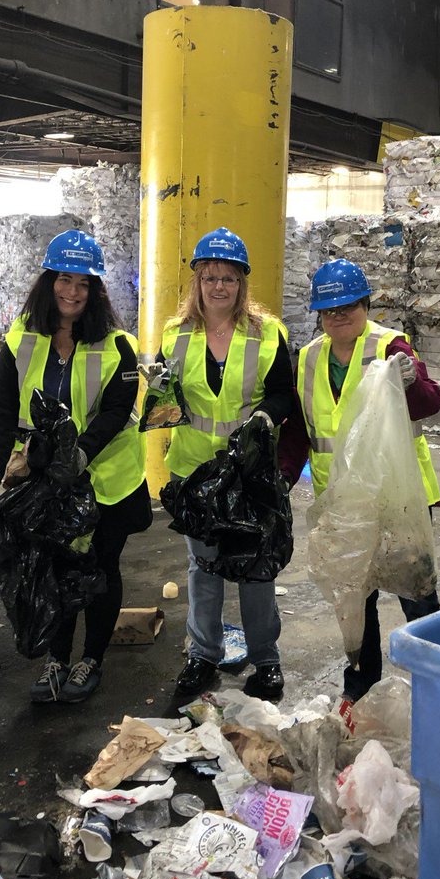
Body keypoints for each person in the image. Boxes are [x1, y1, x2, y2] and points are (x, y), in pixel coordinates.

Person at [0, 229, 151, 704]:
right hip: (49, 481)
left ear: (95, 292)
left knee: (100, 567)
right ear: (48, 282)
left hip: (107, 477)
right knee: (54, 567)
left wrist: (81, 454)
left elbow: (115, 413)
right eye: (64, 279)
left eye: (83, 283)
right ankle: (57, 660)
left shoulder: (117, 346)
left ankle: (91, 659)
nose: (72, 291)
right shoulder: (19, 341)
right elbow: (3, 413)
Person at [278, 257, 440, 702]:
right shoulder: (310, 357)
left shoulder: (391, 347)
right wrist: (284, 476)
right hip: (342, 503)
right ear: (319, 315)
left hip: (398, 499)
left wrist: (410, 383)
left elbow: (430, 403)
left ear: (365, 304)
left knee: (417, 594)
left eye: (348, 306)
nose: (339, 316)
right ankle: (361, 688)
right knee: (355, 599)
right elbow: (300, 428)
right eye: (329, 310)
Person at [157, 226, 295, 700]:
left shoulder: (268, 333)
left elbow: (283, 395)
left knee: (256, 568)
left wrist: (264, 416)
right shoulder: (175, 335)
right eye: (210, 277)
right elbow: (164, 403)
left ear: (242, 284)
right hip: (196, 472)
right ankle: (202, 655)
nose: (219, 287)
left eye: (229, 278)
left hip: (250, 473)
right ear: (197, 281)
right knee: (204, 567)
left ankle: (266, 660)